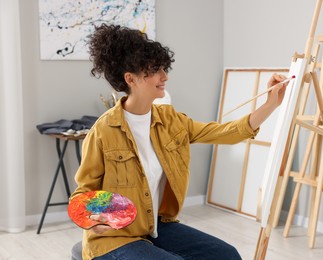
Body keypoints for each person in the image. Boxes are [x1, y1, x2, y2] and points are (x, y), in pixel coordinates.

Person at [70, 23, 288, 260]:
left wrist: (271, 104)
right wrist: (91, 221)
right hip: (114, 239)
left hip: (154, 228)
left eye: (163, 68)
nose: (165, 76)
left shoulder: (170, 121)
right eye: (155, 70)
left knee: (227, 255)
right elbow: (83, 195)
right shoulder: (103, 131)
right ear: (131, 79)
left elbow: (227, 132)